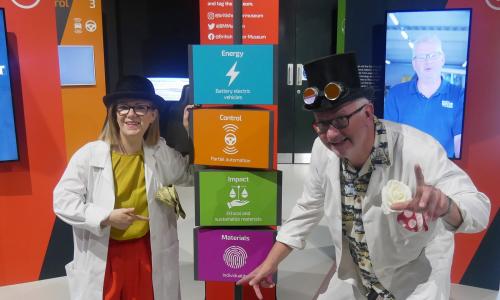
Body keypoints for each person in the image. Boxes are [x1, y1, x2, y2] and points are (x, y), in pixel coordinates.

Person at [237, 53, 490, 299]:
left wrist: (446, 205)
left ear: (367, 113)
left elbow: (478, 207)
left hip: (414, 279)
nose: (331, 135)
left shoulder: (418, 150)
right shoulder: (322, 151)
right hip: (357, 279)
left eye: (340, 121)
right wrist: (271, 262)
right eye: (322, 125)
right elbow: (309, 206)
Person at [53, 75, 194, 300]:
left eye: (140, 107)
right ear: (114, 113)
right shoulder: (89, 155)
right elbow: (62, 201)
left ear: (152, 115)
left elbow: (189, 175)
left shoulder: (160, 153)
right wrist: (106, 216)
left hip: (148, 252)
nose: (131, 113)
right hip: (106, 254)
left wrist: (193, 130)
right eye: (124, 107)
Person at [384, 35, 464, 158]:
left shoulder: (458, 95)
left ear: (442, 59)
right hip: (406, 169)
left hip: (443, 171)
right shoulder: (396, 94)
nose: (428, 61)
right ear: (414, 63)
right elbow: (389, 138)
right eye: (421, 57)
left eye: (433, 55)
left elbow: (460, 141)